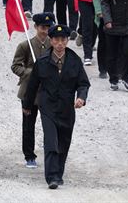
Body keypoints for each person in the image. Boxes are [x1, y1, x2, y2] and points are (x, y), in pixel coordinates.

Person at [23, 24, 90, 189]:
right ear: (51, 41)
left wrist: (81, 98)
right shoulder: (42, 62)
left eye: (63, 40)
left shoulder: (74, 61)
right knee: (51, 141)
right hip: (48, 108)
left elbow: (83, 83)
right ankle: (52, 176)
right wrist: (27, 105)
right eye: (56, 40)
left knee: (63, 142)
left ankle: (58, 173)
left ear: (67, 41)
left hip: (67, 108)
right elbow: (32, 86)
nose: (60, 43)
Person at [11, 13, 54, 169]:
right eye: (43, 27)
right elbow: (15, 66)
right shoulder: (25, 45)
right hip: (29, 92)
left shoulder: (54, 44)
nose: (45, 31)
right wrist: (32, 73)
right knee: (29, 124)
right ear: (36, 27)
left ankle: (51, 153)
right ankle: (29, 155)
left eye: (48, 28)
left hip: (48, 92)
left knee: (50, 124)